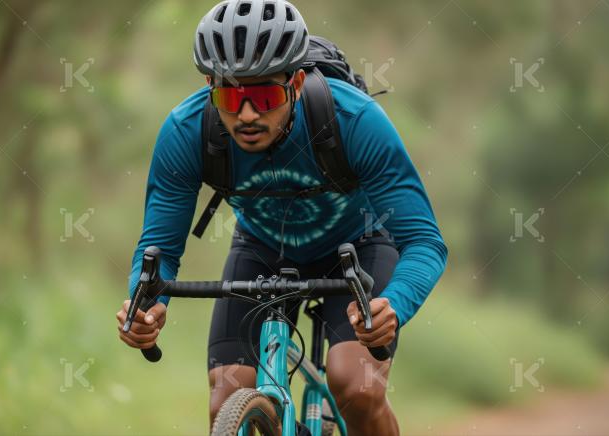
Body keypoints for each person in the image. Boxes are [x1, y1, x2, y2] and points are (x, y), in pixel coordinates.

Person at [117, 1, 447, 434]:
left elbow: (424, 241)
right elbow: (157, 250)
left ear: (295, 82)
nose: (248, 115)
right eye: (231, 97)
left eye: (265, 97)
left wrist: (395, 305)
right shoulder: (187, 130)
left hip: (360, 246)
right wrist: (146, 306)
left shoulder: (355, 120)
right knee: (225, 399)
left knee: (356, 387)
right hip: (262, 249)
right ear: (209, 86)